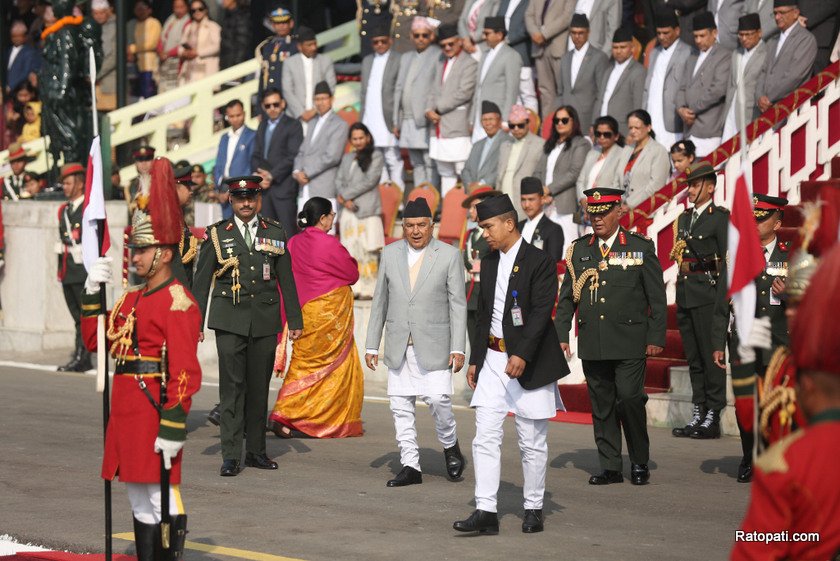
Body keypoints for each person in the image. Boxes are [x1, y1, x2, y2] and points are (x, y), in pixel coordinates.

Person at [79, 158, 201, 561]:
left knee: (163, 499)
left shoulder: (178, 302)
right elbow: (96, 341)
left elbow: (184, 372)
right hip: (126, 410)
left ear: (164, 254)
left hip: (153, 411)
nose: (134, 257)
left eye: (142, 250)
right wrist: (91, 290)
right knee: (137, 497)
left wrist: (173, 424)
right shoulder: (131, 298)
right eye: (133, 250)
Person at [454, 194, 568, 535]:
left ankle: (533, 507)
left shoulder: (539, 261)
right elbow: (483, 314)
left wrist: (522, 354)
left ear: (508, 223)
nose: (485, 234)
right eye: (481, 227)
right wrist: (476, 359)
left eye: (489, 227)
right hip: (492, 359)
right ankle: (486, 510)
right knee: (484, 437)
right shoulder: (489, 262)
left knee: (531, 440)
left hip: (528, 361)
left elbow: (542, 312)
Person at [731, 244, 840, 561]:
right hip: (791, 494)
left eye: (801, 304)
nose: (791, 312)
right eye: (789, 303)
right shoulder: (781, 365)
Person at [192, 175, 303, 476]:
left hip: (264, 319)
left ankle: (256, 451)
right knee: (232, 388)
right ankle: (231, 455)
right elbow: (201, 282)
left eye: (251, 197)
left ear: (258, 200)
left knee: (258, 388)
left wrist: (295, 318)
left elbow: (286, 278)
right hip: (229, 319)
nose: (246, 203)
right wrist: (195, 322)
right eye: (240, 198)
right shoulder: (217, 234)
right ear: (230, 200)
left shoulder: (274, 231)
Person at [556, 187, 667, 485]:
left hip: (629, 340)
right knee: (602, 405)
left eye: (604, 212)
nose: (597, 218)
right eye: (593, 213)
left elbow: (657, 297)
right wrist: (562, 333)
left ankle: (639, 460)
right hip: (594, 341)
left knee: (630, 399)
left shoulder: (639, 247)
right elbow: (567, 298)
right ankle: (611, 466)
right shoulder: (579, 250)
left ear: (619, 211)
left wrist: (656, 337)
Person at [365, 197, 468, 487]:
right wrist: (372, 344)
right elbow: (380, 301)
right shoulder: (390, 253)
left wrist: (458, 348)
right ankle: (410, 465)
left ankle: (450, 445)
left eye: (421, 225)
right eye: (409, 225)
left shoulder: (449, 255)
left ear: (431, 226)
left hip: (435, 343)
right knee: (400, 406)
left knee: (437, 399)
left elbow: (457, 304)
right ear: (403, 227)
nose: (416, 231)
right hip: (398, 342)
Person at [267, 197, 364, 438]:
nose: (333, 219)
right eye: (331, 215)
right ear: (322, 218)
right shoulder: (329, 244)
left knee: (303, 364)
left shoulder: (293, 242)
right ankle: (290, 414)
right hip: (327, 315)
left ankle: (293, 414)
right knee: (332, 367)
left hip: (302, 314)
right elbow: (352, 273)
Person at [669, 161, 729, 439]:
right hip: (686, 293)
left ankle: (713, 413)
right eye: (689, 186)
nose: (690, 190)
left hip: (708, 294)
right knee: (694, 358)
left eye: (695, 185)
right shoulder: (684, 218)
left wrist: (723, 298)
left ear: (710, 187)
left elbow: (727, 261)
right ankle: (699, 409)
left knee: (710, 356)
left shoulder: (720, 218)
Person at [426, 23, 477, 196]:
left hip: (457, 125)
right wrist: (429, 109)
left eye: (451, 44)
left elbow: (464, 92)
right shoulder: (440, 61)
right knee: (445, 172)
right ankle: (449, 208)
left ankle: (468, 209)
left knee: (463, 170)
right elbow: (432, 89)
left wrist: (437, 108)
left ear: (460, 41)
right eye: (443, 45)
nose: (447, 48)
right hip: (438, 127)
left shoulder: (469, 63)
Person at [336, 123, 385, 299]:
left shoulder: (376, 155)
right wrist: (344, 199)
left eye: (361, 138)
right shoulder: (347, 157)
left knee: (368, 250)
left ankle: (369, 289)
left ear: (368, 137)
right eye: (354, 139)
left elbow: (370, 181)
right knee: (351, 249)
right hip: (348, 210)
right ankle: (354, 287)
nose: (358, 142)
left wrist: (345, 196)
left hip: (367, 208)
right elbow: (339, 180)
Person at [675, 12, 732, 158]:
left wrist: (691, 110)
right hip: (689, 129)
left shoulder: (724, 56)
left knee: (707, 170)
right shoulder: (692, 56)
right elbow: (682, 88)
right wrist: (681, 109)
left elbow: (717, 90)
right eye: (695, 36)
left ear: (714, 33)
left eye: (702, 36)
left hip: (708, 130)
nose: (698, 40)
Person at [393, 17, 440, 188]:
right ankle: (421, 198)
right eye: (417, 35)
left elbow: (437, 86)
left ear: (431, 36)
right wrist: (396, 120)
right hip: (406, 118)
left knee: (429, 160)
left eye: (424, 35)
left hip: (424, 117)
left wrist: (430, 109)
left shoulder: (437, 54)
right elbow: (399, 88)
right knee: (415, 161)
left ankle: (432, 197)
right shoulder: (406, 57)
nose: (421, 39)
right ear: (411, 36)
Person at [535, 105, 590, 250]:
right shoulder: (550, 144)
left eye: (564, 120)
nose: (560, 123)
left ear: (573, 121)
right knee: (546, 249)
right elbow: (538, 171)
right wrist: (540, 193)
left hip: (566, 206)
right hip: (545, 204)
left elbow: (574, 173)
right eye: (556, 120)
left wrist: (548, 189)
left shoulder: (581, 143)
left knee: (568, 249)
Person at [251, 88, 304, 233]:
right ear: (263, 107)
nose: (272, 108)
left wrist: (271, 175)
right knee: (268, 236)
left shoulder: (293, 125)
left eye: (276, 104)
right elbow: (255, 154)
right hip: (265, 190)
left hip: (284, 189)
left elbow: (293, 156)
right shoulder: (262, 125)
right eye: (268, 105)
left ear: (283, 104)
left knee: (288, 233)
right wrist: (258, 177)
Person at [292, 81, 348, 219]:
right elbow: (302, 151)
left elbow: (332, 157)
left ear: (331, 99)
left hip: (323, 186)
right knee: (305, 227)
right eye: (317, 99)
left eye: (323, 98)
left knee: (325, 228)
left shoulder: (340, 124)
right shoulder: (312, 122)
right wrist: (297, 171)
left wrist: (307, 173)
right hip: (304, 187)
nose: (320, 102)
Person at [56, 163, 91, 373]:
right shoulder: (64, 210)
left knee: (84, 316)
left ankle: (83, 356)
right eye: (64, 183)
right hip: (67, 269)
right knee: (76, 316)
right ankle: (80, 353)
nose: (65, 187)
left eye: (69, 183)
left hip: (82, 271)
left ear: (79, 183)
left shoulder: (87, 208)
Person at [754, 0, 817, 114]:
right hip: (766, 109)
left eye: (782, 13)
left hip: (788, 110)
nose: (777, 17)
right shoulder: (772, 41)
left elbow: (794, 76)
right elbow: (763, 72)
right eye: (775, 13)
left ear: (795, 13)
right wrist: (759, 97)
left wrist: (769, 97)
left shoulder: (806, 39)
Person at [360, 26, 403, 185]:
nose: (379, 45)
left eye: (383, 41)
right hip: (370, 116)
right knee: (377, 158)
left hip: (389, 117)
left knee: (392, 157)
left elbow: (400, 91)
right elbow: (364, 92)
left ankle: (398, 194)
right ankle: (385, 194)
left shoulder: (398, 59)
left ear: (390, 41)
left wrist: (398, 120)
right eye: (375, 42)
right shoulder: (367, 60)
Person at [643, 11, 692, 150]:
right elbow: (647, 88)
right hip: (652, 114)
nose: (661, 37)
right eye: (658, 33)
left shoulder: (688, 52)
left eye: (666, 33)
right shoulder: (654, 53)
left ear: (677, 31)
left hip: (672, 120)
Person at [555, 14, 610, 133]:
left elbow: (601, 94)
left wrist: (595, 122)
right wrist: (560, 117)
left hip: (587, 119)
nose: (577, 37)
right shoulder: (565, 58)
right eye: (573, 33)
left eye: (581, 33)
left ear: (588, 33)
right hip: (566, 119)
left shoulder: (599, 57)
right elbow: (560, 92)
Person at [471, 16, 522, 143]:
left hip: (498, 118)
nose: (484, 37)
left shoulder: (511, 56)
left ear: (499, 34)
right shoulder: (485, 54)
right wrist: (472, 118)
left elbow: (512, 90)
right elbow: (479, 87)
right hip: (480, 116)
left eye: (487, 33)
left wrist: (505, 120)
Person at [461, 185, 502, 345]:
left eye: (474, 207)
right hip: (469, 294)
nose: (470, 211)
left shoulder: (494, 235)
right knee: (473, 340)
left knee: (488, 342)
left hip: (486, 292)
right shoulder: (469, 235)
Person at [525, 0, 576, 118]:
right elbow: (528, 14)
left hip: (558, 47)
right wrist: (535, 33)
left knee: (563, 90)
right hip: (539, 48)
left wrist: (544, 34)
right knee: (545, 91)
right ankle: (547, 125)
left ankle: (565, 122)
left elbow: (567, 16)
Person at [593, 27, 646, 138]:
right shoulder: (608, 70)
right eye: (615, 47)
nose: (618, 51)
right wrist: (593, 124)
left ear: (632, 48)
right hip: (602, 130)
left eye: (623, 47)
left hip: (622, 131)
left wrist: (634, 132)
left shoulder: (638, 71)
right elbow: (600, 99)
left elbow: (638, 106)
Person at [721, 13, 767, 140]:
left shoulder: (766, 53)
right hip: (730, 114)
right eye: (741, 35)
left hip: (750, 115)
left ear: (759, 33)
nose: (744, 38)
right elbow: (731, 85)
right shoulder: (736, 53)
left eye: (748, 34)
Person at [282, 26, 337, 127]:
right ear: (299, 46)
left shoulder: (325, 61)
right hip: (295, 116)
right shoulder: (289, 63)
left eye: (315, 44)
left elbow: (330, 88)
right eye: (309, 45)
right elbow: (287, 91)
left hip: (319, 114)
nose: (313, 48)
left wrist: (315, 110)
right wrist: (301, 113)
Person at [616, 109, 671, 210]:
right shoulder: (627, 149)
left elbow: (655, 186)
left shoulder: (658, 151)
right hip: (621, 209)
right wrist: (617, 204)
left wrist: (629, 205)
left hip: (646, 210)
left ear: (648, 127)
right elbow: (616, 179)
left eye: (637, 128)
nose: (633, 131)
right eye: (630, 128)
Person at [497, 104, 545, 220]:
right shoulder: (505, 145)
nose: (516, 129)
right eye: (512, 126)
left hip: (525, 201)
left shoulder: (540, 144)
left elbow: (541, 174)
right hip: (503, 201)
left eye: (520, 125)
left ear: (528, 123)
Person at [212, 99, 256, 220]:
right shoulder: (224, 138)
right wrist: (218, 190)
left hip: (242, 188)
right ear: (227, 117)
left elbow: (251, 166)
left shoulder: (252, 136)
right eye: (231, 116)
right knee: (225, 226)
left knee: (242, 224)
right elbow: (218, 164)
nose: (235, 119)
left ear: (244, 114)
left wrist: (234, 189)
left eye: (238, 115)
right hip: (223, 187)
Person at [576, 116, 625, 211]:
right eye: (598, 134)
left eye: (607, 134)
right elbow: (580, 180)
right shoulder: (592, 152)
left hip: (606, 208)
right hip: (585, 208)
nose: (602, 137)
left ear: (616, 136)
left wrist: (598, 204)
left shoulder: (622, 154)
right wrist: (583, 200)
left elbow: (617, 184)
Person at [498, 0, 538, 113]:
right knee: (513, 96)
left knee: (527, 94)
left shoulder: (530, 2)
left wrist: (508, 39)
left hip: (522, 55)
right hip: (504, 55)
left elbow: (528, 26)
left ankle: (532, 123)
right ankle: (516, 123)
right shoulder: (505, 2)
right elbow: (498, 19)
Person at [461, 101, 511, 190]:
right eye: (484, 120)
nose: (488, 123)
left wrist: (481, 185)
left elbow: (504, 169)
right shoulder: (477, 145)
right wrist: (470, 185)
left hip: (495, 192)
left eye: (491, 119)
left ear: (499, 120)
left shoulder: (508, 142)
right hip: (474, 193)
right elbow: (466, 170)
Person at [518, 177, 564, 263]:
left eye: (531, 199)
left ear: (542, 199)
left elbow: (552, 263)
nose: (526, 205)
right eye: (523, 200)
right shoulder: (517, 227)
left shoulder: (553, 229)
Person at [256, 8, 297, 100]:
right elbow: (263, 76)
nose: (281, 26)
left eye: (284, 22)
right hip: (270, 98)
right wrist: (260, 103)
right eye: (277, 23)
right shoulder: (268, 46)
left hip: (288, 97)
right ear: (273, 25)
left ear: (291, 23)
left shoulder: (295, 45)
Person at [178, 0, 221, 86]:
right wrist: (184, 53)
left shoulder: (213, 26)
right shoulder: (188, 28)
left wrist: (198, 52)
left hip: (205, 70)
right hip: (188, 72)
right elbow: (180, 47)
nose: (197, 12)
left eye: (200, 9)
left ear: (206, 10)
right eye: (193, 10)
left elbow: (217, 46)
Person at [128, 0, 161, 99]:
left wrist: (132, 49)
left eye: (142, 9)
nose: (140, 12)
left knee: (149, 95)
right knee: (138, 97)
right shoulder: (135, 24)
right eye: (138, 9)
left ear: (149, 10)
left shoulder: (154, 23)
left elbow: (151, 44)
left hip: (150, 66)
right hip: (137, 66)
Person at [157, 0, 190, 93]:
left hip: (177, 62)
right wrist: (160, 51)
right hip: (164, 62)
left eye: (181, 7)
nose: (178, 10)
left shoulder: (188, 21)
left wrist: (168, 53)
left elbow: (184, 43)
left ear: (187, 7)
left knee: (173, 91)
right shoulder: (171, 19)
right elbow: (161, 37)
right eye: (176, 7)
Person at [91, 0, 117, 111]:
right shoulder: (92, 28)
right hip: (94, 84)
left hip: (110, 82)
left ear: (108, 11)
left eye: (101, 13)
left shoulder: (115, 27)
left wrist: (96, 73)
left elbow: (114, 57)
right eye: (96, 13)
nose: (99, 16)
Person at [5, 20, 41, 95]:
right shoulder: (8, 51)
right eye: (14, 36)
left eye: (19, 36)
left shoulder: (30, 52)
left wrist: (11, 86)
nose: (16, 39)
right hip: (5, 88)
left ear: (25, 36)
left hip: (19, 90)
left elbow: (26, 72)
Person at [219, 0, 251, 70]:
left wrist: (237, 67)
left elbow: (242, 44)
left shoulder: (241, 16)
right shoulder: (226, 15)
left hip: (235, 65)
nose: (222, 1)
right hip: (225, 62)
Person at [126, 146, 155, 220]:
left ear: (153, 161)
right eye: (140, 160)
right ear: (135, 163)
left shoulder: (159, 182)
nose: (144, 164)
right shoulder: (130, 186)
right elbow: (130, 211)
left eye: (147, 159)